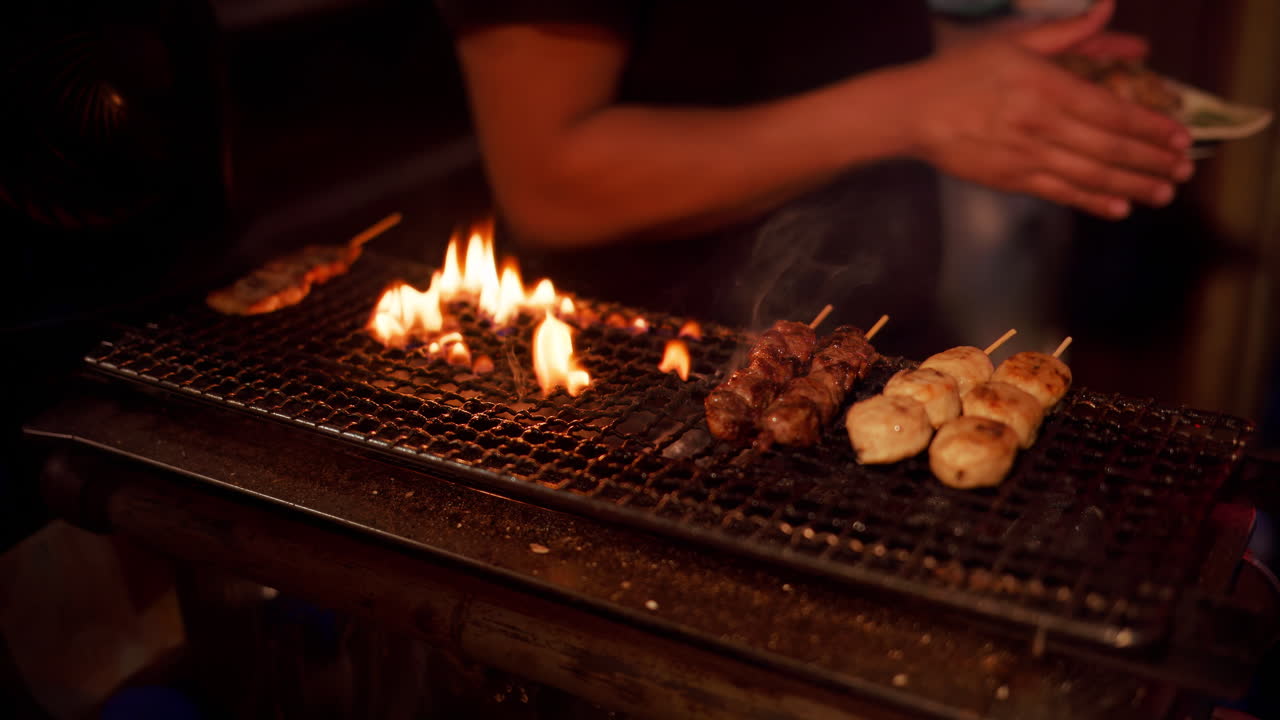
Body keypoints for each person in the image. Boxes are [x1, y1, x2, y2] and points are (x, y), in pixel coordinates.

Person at [435, 0, 1192, 350]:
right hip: (636, 385)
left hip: (869, 349)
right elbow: (547, 182)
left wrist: (969, 61)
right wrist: (910, 107)